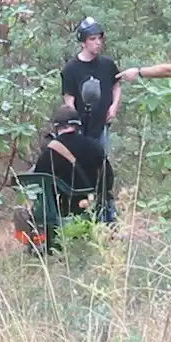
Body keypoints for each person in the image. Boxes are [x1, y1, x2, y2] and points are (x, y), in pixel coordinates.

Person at [29, 104, 115, 223]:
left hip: (58, 216)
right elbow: (108, 181)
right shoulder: (95, 147)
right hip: (90, 212)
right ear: (78, 126)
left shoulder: (48, 154)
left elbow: (37, 186)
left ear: (56, 128)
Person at [61, 17, 121, 152]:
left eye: (99, 38)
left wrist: (114, 106)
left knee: (102, 164)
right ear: (83, 42)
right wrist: (74, 126)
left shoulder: (107, 64)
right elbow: (69, 101)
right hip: (81, 129)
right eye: (93, 39)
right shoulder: (71, 69)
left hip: (102, 126)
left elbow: (116, 86)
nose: (98, 43)